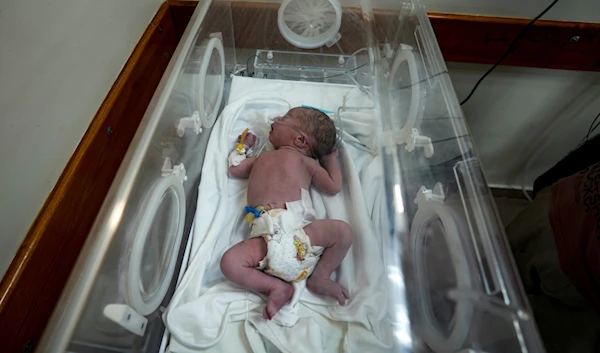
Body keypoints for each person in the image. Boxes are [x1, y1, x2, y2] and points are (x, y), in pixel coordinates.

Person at [220, 107, 352, 321]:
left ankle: (321, 276)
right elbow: (235, 169)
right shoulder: (262, 157)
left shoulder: (306, 163)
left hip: (300, 232)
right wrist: (242, 147)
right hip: (267, 237)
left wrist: (329, 159)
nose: (275, 118)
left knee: (343, 232)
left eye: (284, 118)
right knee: (229, 262)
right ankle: (276, 287)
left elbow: (334, 185)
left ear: (301, 140)